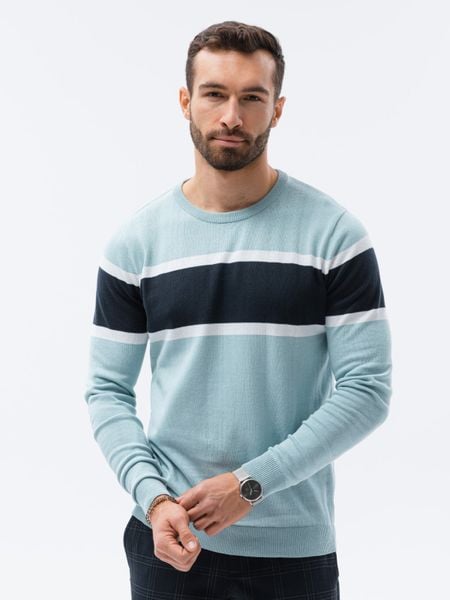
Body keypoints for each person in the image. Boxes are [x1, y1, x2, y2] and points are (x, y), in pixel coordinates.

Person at [84, 20, 392, 600]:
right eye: (214, 94)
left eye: (252, 97)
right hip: (167, 538)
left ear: (277, 109)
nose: (232, 116)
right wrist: (152, 496)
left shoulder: (334, 236)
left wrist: (250, 485)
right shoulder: (135, 245)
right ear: (186, 102)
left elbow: (367, 390)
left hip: (292, 553)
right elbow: (106, 390)